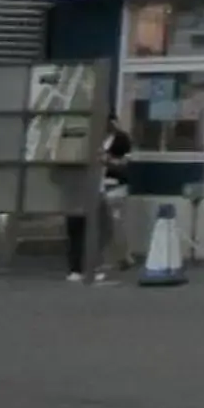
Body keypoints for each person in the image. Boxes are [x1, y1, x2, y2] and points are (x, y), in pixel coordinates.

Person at [65, 117, 135, 283]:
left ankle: (98, 263)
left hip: (108, 187)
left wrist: (107, 161)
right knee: (79, 228)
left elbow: (125, 163)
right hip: (83, 187)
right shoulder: (83, 138)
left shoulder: (120, 140)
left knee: (101, 227)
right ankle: (79, 267)